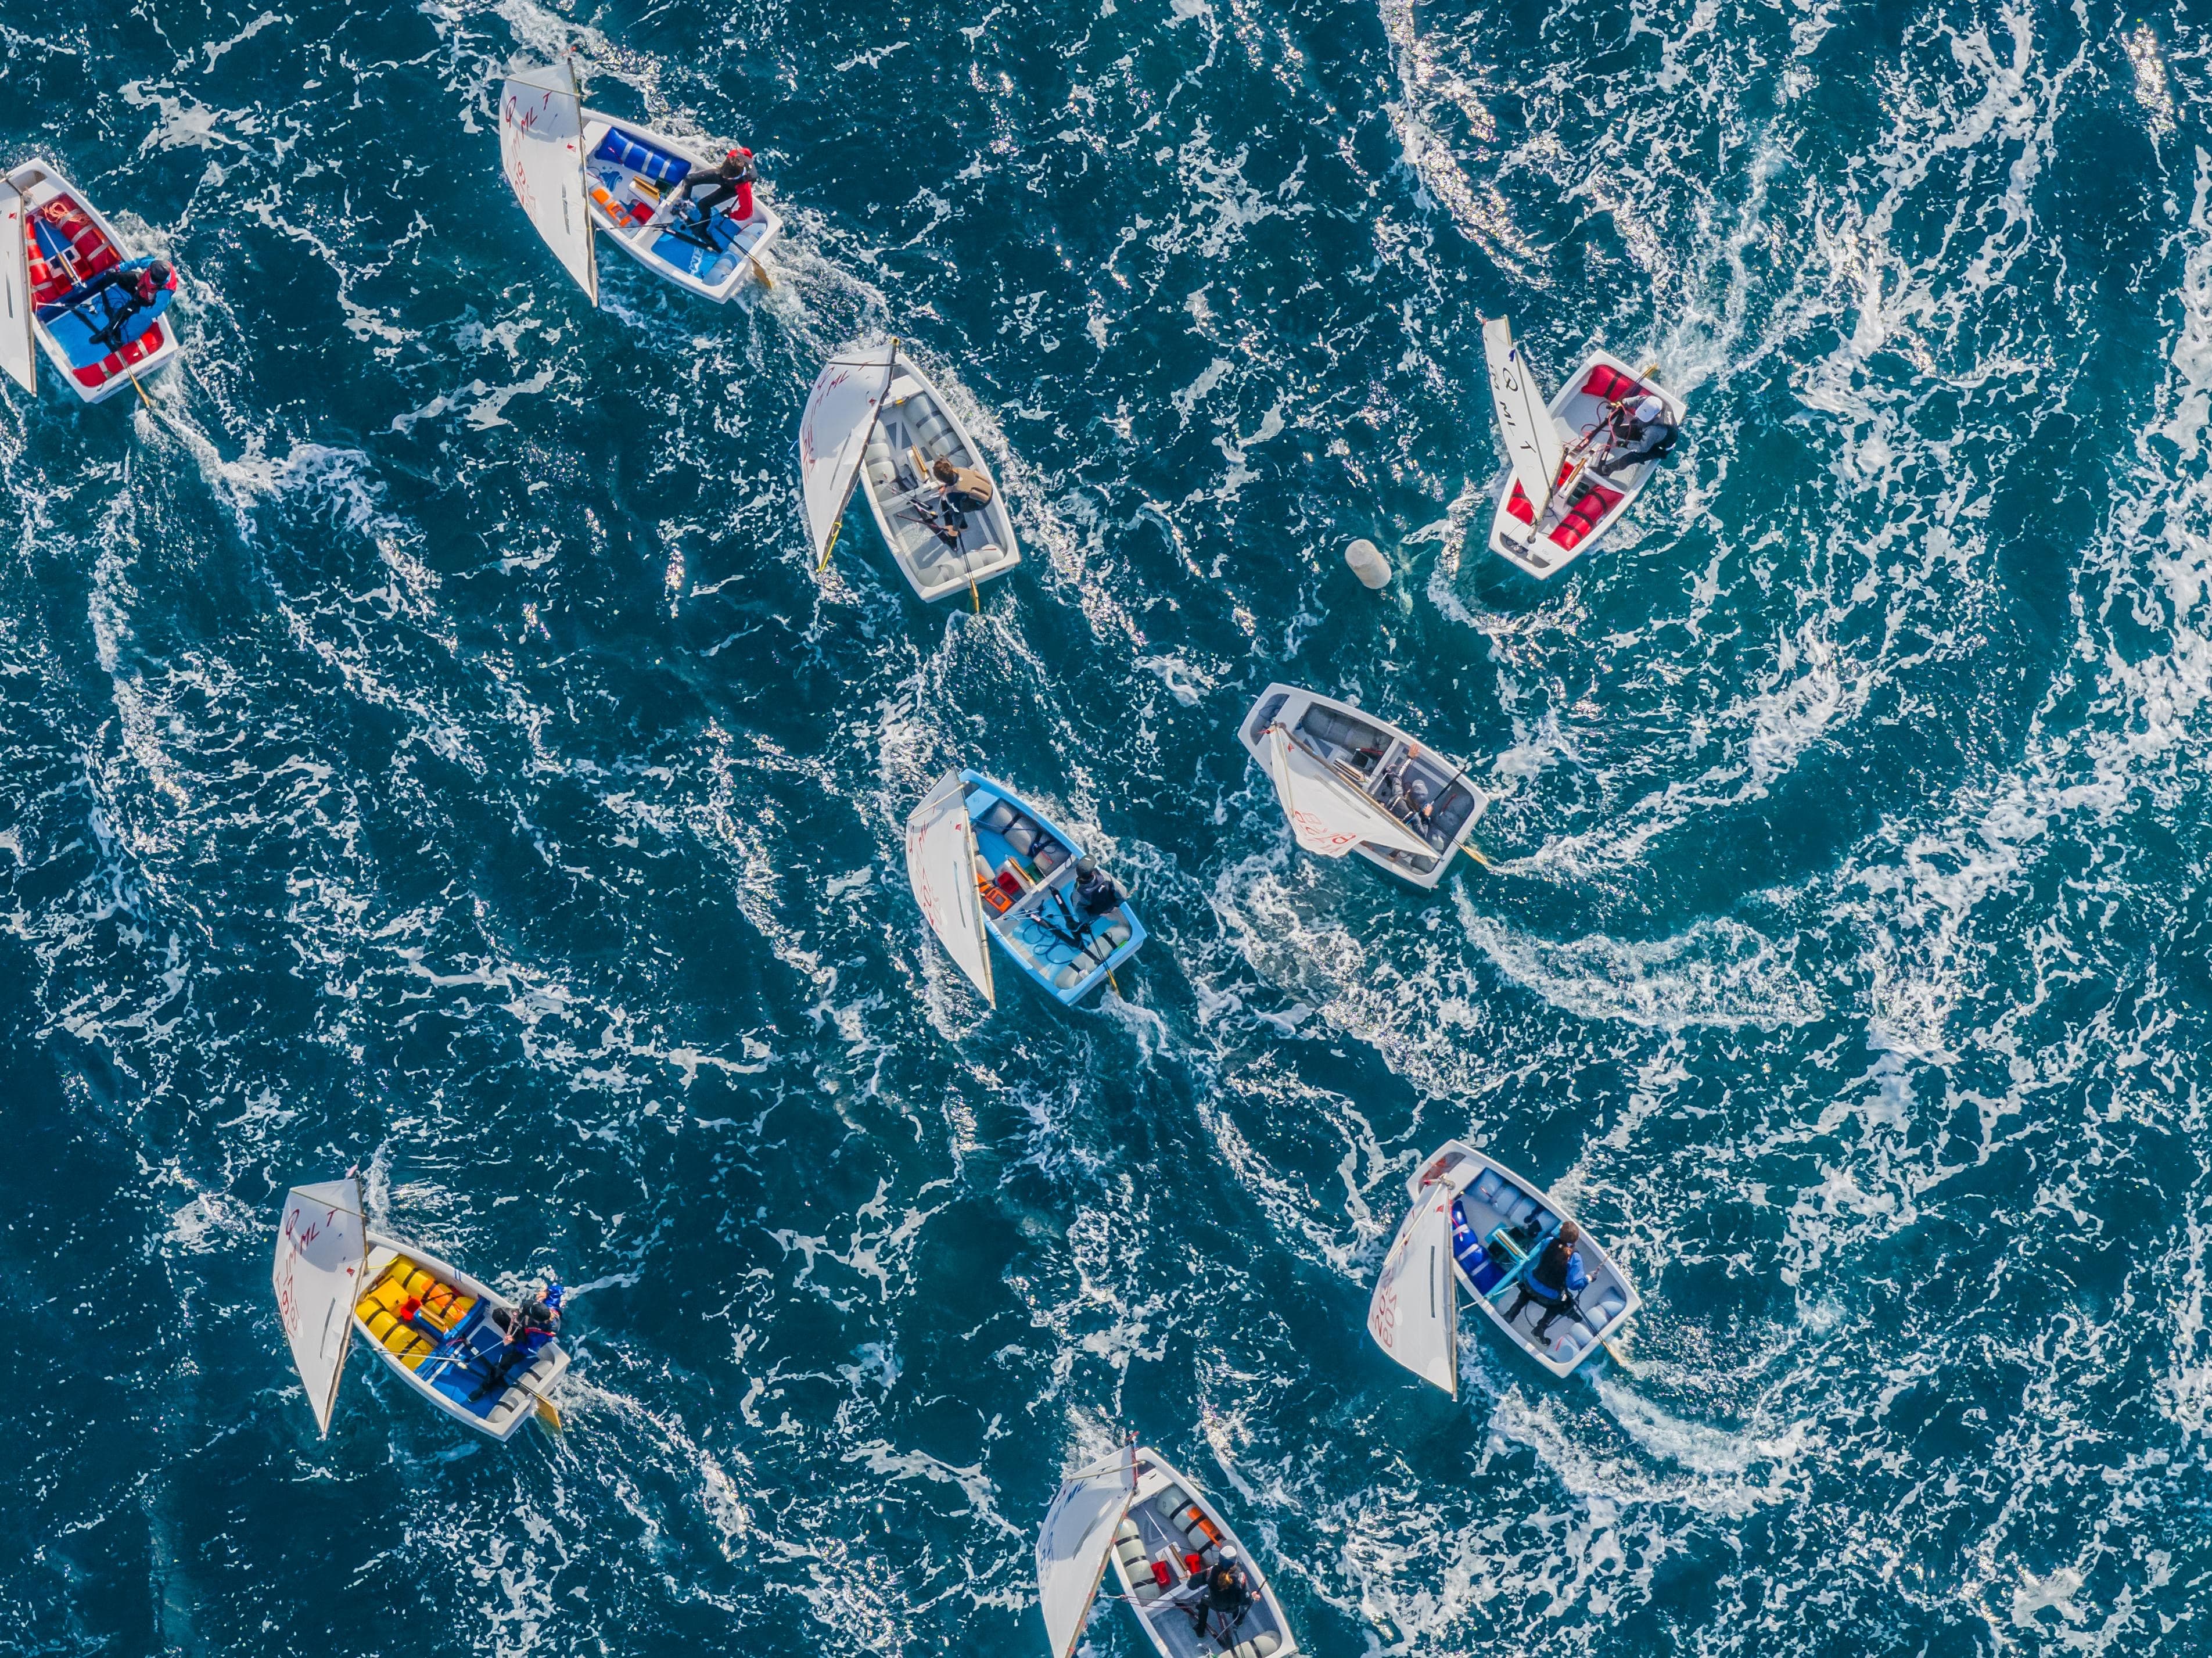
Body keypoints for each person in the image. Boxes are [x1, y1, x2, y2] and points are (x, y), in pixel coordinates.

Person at [469, 1282, 563, 1401]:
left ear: (536, 1320)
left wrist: (514, 1340)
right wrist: (547, 1292)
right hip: (525, 1328)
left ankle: (485, 1387)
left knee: (504, 1363)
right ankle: (512, 1338)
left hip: (525, 1344)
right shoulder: (550, 1306)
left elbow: (530, 1351)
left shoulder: (538, 1336)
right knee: (498, 1314)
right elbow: (559, 1290)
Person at [1501, 1221, 1589, 1339]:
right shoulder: (1575, 1257)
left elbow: (1544, 1254)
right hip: (1550, 1298)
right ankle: (1540, 1328)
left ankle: (1511, 1314)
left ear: (1560, 1233)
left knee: (1529, 1289)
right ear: (1576, 1239)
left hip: (1530, 1286)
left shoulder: (1548, 1242)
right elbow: (1574, 1285)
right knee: (1564, 1303)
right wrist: (1589, 1278)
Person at [650, 148, 759, 242]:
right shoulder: (734, 155)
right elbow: (747, 152)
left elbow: (747, 213)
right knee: (689, 180)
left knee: (703, 205)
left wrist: (730, 215)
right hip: (724, 174)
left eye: (727, 176)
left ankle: (702, 230)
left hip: (731, 188)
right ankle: (685, 202)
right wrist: (723, 174)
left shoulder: (744, 187)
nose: (724, 176)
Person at [1594, 393, 1677, 478]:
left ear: (1656, 416)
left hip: (1659, 447)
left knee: (1631, 457)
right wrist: (1622, 403)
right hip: (1646, 430)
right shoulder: (1651, 402)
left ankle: (1608, 470)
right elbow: (1637, 400)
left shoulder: (1655, 430)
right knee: (1619, 432)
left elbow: (1643, 449)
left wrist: (1624, 444)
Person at [1189, 1546, 1251, 1637]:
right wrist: (1252, 1597)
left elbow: (1192, 1585)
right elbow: (1246, 1601)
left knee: (1203, 1602)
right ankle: (1237, 1620)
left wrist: (1190, 1580)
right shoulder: (1241, 1577)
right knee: (1236, 1603)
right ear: (1234, 1561)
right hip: (1233, 1607)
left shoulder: (1210, 1573)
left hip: (1216, 1606)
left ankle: (1200, 1630)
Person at [1071, 856, 1124, 924]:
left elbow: (1083, 917)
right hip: (1112, 906)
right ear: (1093, 873)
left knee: (1071, 897)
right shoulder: (1104, 875)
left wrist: (1096, 917)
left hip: (1099, 914)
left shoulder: (1079, 894)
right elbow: (1122, 892)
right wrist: (1116, 906)